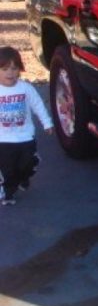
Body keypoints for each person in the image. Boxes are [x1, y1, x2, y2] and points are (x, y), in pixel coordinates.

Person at [0, 46, 53, 206]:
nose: (10, 72)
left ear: (20, 69)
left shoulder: (25, 88)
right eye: (4, 69)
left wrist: (47, 123)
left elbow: (37, 105)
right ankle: (8, 193)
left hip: (25, 136)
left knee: (27, 163)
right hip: (3, 139)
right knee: (7, 169)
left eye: (14, 68)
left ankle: (24, 176)